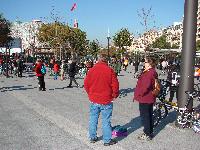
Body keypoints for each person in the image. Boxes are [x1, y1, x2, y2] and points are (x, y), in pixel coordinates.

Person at [84, 53, 119, 146]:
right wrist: (115, 94)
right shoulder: (110, 70)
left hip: (94, 99)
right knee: (106, 120)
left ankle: (92, 137)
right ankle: (107, 140)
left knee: (93, 119)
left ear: (98, 59)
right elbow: (115, 85)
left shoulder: (91, 70)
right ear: (106, 60)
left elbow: (86, 84)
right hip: (106, 99)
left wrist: (90, 94)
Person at [134, 56, 158, 141]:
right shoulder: (152, 72)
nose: (144, 63)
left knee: (145, 116)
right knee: (149, 115)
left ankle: (147, 133)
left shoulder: (149, 73)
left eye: (146, 62)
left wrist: (140, 94)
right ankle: (150, 132)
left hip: (145, 98)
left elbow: (146, 86)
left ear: (149, 63)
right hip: (150, 97)